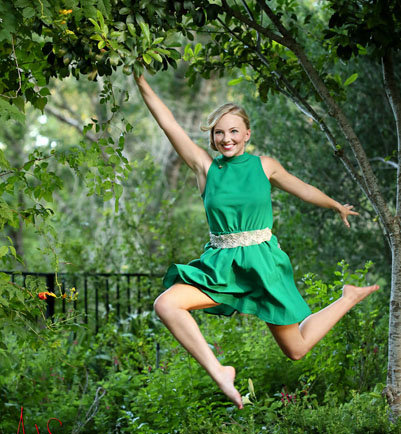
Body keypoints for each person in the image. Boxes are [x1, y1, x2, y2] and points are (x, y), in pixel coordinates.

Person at [134, 72, 379, 410]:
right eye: (219, 132)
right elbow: (169, 125)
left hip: (263, 263)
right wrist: (142, 81)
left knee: (296, 349)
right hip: (221, 265)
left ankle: (348, 297)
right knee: (166, 304)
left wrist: (335, 205)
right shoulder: (205, 168)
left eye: (233, 131)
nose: (226, 138)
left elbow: (301, 187)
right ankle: (220, 371)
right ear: (212, 139)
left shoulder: (265, 166)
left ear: (247, 134)